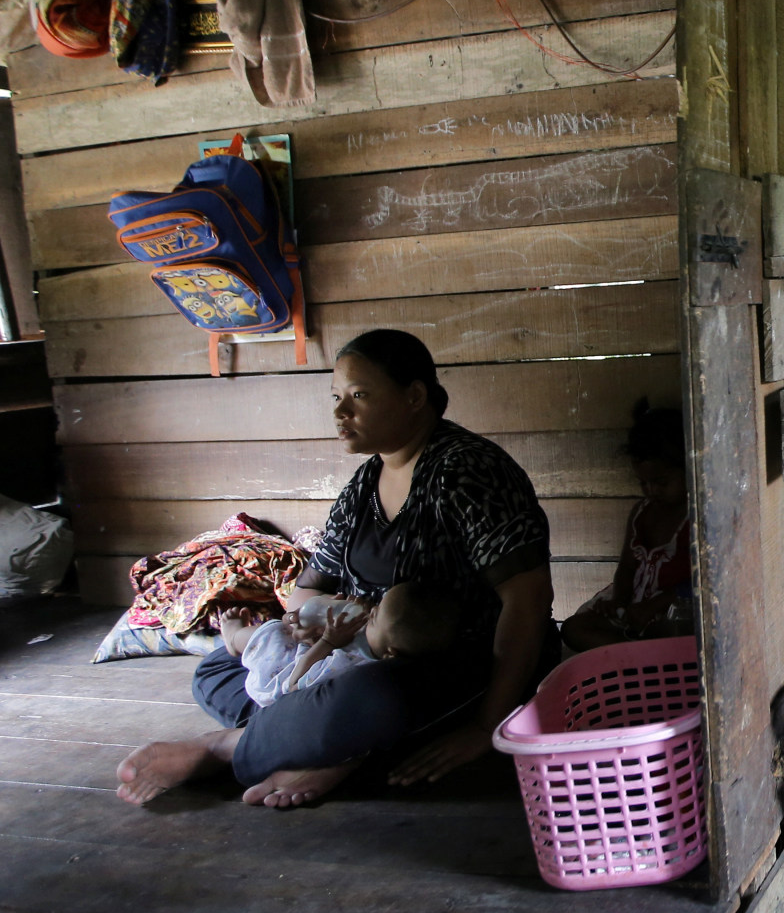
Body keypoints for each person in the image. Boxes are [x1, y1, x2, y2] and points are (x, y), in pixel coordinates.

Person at [117, 329, 557, 809]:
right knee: (219, 668)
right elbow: (307, 588)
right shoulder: (364, 484)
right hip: (341, 656)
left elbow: (527, 599)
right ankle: (336, 749)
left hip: (447, 667)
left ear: (414, 396)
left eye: (359, 395)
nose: (340, 413)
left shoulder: (469, 472)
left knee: (370, 700)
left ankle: (222, 748)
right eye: (337, 397)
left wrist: (485, 726)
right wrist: (314, 625)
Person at [559, 400, 693, 651]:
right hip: (633, 607)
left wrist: (654, 606)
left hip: (671, 613)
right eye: (643, 483)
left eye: (661, 482)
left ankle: (637, 657)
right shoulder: (641, 512)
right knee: (572, 628)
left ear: (689, 468)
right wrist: (618, 600)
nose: (651, 490)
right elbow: (627, 566)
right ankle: (640, 656)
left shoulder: (697, 518)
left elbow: (699, 583)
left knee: (676, 639)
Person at [217, 582, 460, 707]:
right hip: (313, 652)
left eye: (374, 617)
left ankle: (233, 638)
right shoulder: (382, 644)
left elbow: (294, 685)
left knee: (272, 635)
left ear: (390, 653)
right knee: (283, 629)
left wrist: (326, 642)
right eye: (376, 606)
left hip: (281, 679)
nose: (370, 610)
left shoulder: (352, 669)